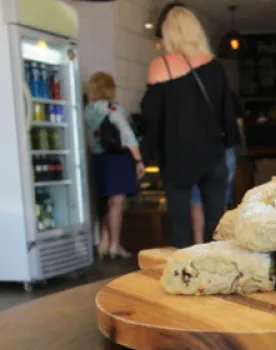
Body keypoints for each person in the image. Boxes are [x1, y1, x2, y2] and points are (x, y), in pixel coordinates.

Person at [141, 2, 239, 248]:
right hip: (212, 153)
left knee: (179, 223)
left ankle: (183, 265)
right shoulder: (214, 66)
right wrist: (231, 143)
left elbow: (152, 118)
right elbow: (228, 112)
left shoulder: (160, 66)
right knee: (217, 220)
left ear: (168, 32)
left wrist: (152, 154)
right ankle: (220, 265)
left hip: (177, 156)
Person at [84, 71, 145, 260]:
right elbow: (127, 135)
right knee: (117, 203)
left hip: (98, 158)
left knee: (106, 203)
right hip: (117, 159)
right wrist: (138, 160)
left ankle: (104, 242)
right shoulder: (112, 108)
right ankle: (115, 245)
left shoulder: (88, 110)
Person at [188, 96, 244, 244]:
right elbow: (238, 125)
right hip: (223, 148)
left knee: (196, 199)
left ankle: (198, 243)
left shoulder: (186, 92)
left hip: (194, 148)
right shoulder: (227, 94)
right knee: (222, 196)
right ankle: (221, 240)